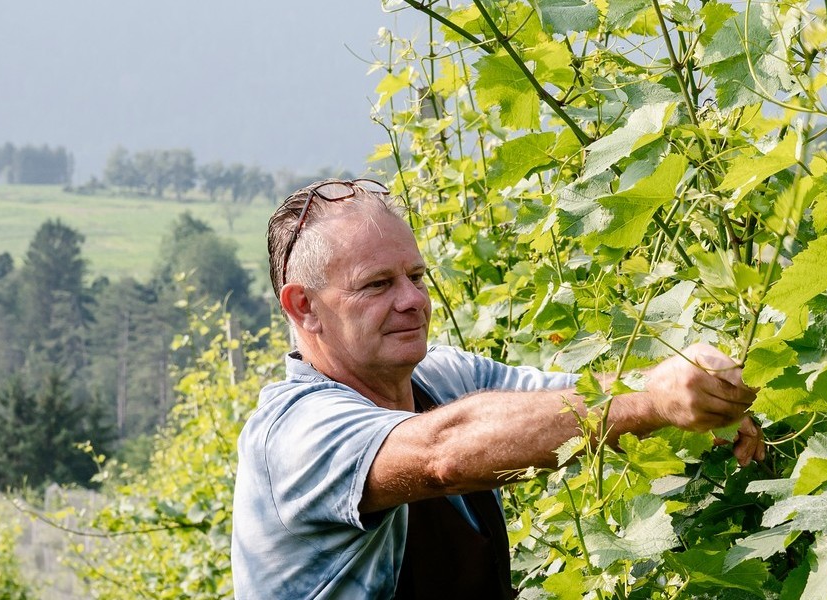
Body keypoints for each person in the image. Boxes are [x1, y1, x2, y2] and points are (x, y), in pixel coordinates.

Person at [232, 179, 763, 599]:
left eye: (416, 277)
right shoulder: (294, 435)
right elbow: (445, 452)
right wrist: (652, 397)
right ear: (304, 307)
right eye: (377, 284)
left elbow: (568, 401)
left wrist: (692, 398)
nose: (413, 300)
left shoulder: (441, 376)